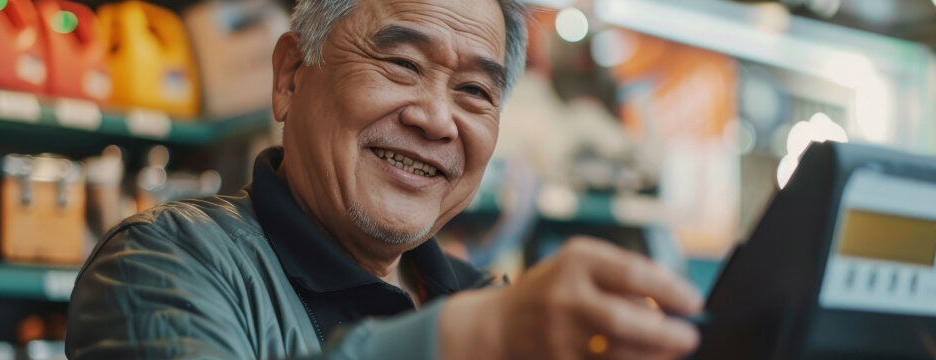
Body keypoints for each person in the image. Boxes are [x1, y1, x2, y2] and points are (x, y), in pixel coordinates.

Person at [65, 0, 704, 358]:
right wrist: (466, 339)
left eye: (475, 91)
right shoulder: (162, 265)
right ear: (289, 77)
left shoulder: (484, 296)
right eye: (400, 64)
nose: (436, 119)